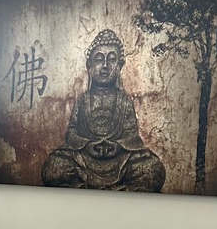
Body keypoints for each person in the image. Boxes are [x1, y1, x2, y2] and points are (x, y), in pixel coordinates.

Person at [41, 29, 166, 192]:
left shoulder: (124, 100)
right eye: (99, 59)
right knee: (54, 168)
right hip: (84, 159)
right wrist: (87, 146)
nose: (105, 66)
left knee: (152, 169)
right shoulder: (83, 100)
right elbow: (71, 133)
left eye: (112, 59)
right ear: (90, 66)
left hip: (120, 161)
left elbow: (131, 135)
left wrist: (118, 147)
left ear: (120, 66)